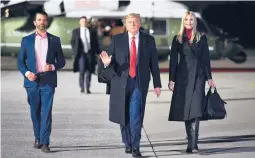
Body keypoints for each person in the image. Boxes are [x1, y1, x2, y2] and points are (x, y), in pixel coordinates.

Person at [99, 13, 161, 157]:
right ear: (125, 25)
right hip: (120, 82)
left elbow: (154, 64)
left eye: (135, 22)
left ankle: (135, 147)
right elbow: (108, 58)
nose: (132, 24)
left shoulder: (148, 40)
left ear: (139, 24)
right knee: (123, 114)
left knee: (136, 116)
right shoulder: (117, 40)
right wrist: (107, 63)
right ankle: (127, 143)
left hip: (139, 83)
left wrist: (157, 84)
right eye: (129, 22)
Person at [17, 11, 66, 153]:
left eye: (44, 20)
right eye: (39, 20)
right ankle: (37, 137)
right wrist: (27, 74)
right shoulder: (26, 40)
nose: (42, 22)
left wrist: (53, 66)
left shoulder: (55, 40)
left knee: (46, 112)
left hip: (48, 81)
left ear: (47, 22)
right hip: (32, 82)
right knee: (34, 112)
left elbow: (61, 61)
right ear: (34, 23)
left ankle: (45, 142)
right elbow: (20, 61)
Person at [168, 11, 216, 153]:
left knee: (195, 109)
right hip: (183, 78)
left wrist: (209, 78)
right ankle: (191, 140)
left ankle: (193, 144)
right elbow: (173, 61)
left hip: (198, 76)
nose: (189, 22)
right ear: (183, 21)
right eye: (186, 19)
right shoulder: (177, 39)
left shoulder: (202, 38)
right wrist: (172, 79)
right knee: (185, 110)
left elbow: (206, 60)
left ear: (195, 22)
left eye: (191, 19)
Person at [71, 16, 100, 94]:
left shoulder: (92, 31)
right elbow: (73, 42)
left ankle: (87, 87)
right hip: (81, 54)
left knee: (89, 71)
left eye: (85, 21)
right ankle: (82, 87)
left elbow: (96, 42)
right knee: (82, 70)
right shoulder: (75, 31)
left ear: (87, 22)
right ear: (79, 22)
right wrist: (75, 51)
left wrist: (98, 52)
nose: (84, 22)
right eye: (82, 21)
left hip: (90, 53)